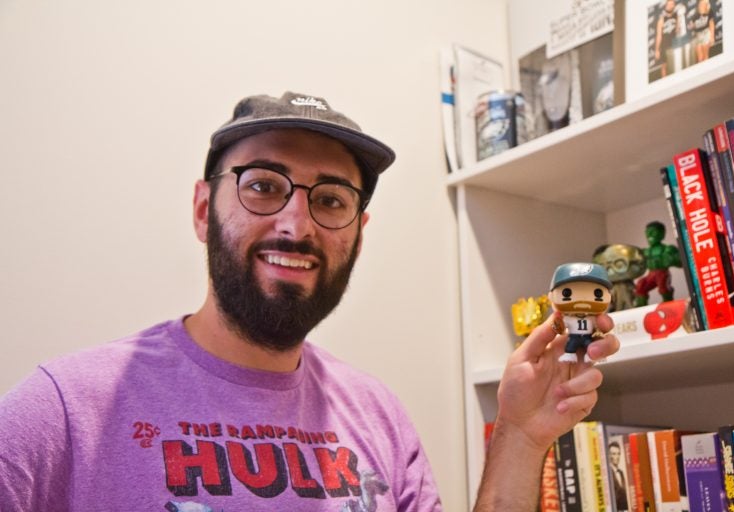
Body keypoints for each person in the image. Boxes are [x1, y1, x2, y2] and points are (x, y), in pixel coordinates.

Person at [0, 91, 619, 511]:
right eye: (263, 186)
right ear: (201, 211)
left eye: (330, 199)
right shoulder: (62, 410)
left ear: (357, 232)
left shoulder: (377, 414)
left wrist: (519, 435)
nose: (296, 225)